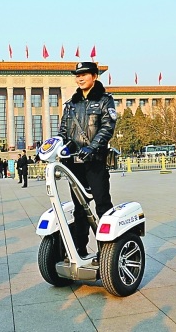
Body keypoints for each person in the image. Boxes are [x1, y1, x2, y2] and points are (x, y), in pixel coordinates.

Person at [58, 62, 117, 259]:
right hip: (75, 163)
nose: (80, 78)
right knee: (79, 208)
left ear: (94, 76)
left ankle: (106, 249)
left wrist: (92, 148)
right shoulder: (71, 105)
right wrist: (62, 149)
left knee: (102, 204)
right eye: (77, 75)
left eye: (84, 75)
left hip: (95, 161)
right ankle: (79, 249)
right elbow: (64, 132)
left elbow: (107, 127)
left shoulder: (104, 100)